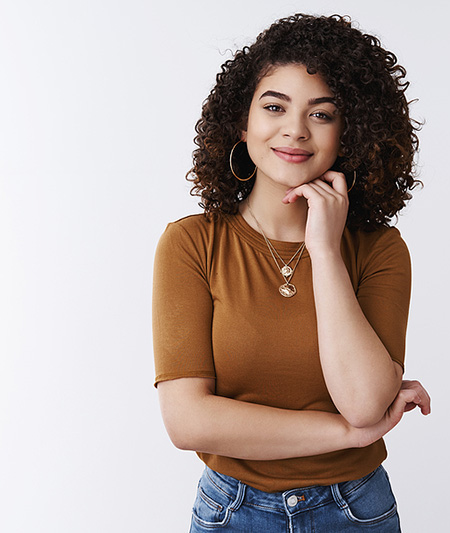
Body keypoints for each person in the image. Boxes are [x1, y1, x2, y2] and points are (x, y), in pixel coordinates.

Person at [152, 14, 430, 532]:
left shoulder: (379, 250)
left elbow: (364, 403)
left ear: (350, 132)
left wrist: (323, 250)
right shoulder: (192, 244)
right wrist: (347, 435)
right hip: (232, 512)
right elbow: (188, 421)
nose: (296, 129)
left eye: (321, 114)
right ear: (242, 122)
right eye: (274, 106)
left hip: (355, 511)